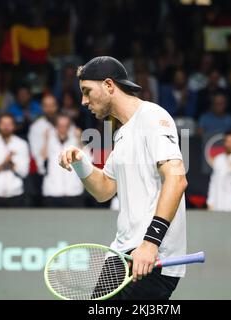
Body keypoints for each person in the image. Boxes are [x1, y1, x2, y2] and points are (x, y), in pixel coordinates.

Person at [59, 56, 188, 300]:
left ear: (109, 85)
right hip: (122, 254)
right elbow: (105, 190)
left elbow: (176, 179)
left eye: (87, 92)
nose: (83, 101)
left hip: (151, 256)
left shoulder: (152, 117)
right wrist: (80, 163)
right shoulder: (122, 133)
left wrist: (150, 243)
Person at [40, 114, 85, 207]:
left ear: (70, 127)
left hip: (74, 191)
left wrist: (80, 141)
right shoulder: (49, 140)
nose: (63, 128)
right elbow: (40, 164)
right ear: (55, 126)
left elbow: (86, 163)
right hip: (52, 192)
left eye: (66, 126)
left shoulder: (75, 141)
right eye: (60, 126)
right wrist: (45, 140)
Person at [28, 94, 59, 173]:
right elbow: (35, 153)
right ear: (42, 108)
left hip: (66, 170)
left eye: (52, 105)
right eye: (46, 106)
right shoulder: (35, 127)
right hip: (45, 171)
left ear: (56, 106)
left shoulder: (65, 123)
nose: (49, 109)